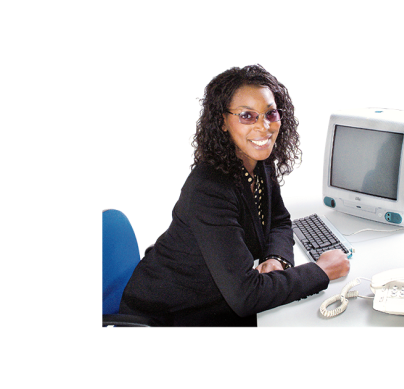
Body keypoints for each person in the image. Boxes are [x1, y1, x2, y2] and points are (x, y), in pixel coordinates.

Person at [119, 64, 350, 326]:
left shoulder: (258, 161)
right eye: (247, 116)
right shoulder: (208, 189)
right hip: (170, 313)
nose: (264, 127)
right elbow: (246, 297)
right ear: (222, 122)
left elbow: (279, 220)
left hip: (219, 295)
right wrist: (321, 271)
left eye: (270, 113)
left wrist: (276, 259)